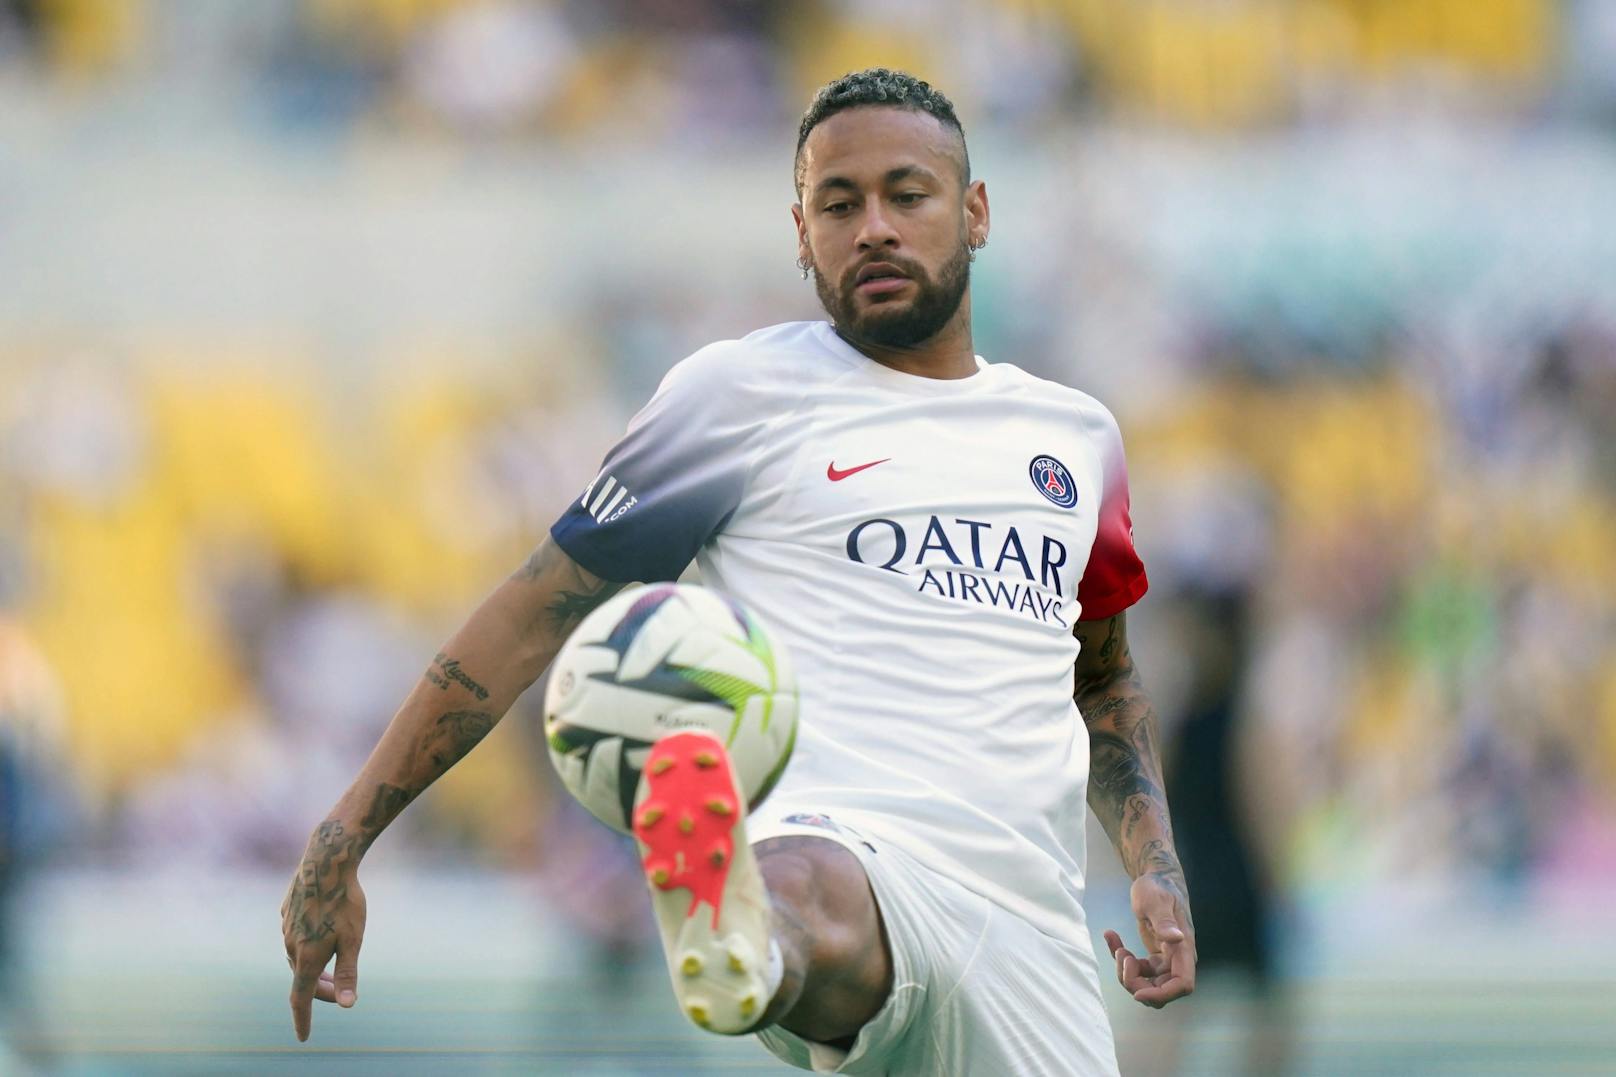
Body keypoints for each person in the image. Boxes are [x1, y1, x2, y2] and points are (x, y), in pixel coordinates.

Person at [281, 67, 1196, 1074]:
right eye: (836, 204)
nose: (873, 227)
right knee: (802, 885)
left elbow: (1098, 674)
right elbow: (534, 611)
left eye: (906, 193)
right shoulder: (743, 395)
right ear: (799, 235)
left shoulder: (1074, 437)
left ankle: (754, 937)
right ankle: (736, 934)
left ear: (973, 212)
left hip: (1034, 932)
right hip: (848, 868)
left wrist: (1150, 865)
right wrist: (347, 830)